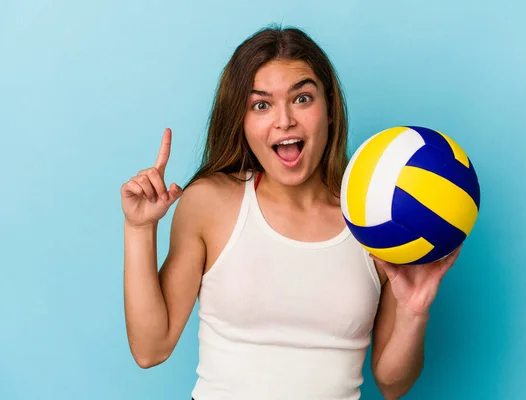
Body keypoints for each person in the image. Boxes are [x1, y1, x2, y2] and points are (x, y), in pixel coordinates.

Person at [121, 25, 461, 400]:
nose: (284, 120)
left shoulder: (376, 219)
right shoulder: (209, 203)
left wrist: (414, 312)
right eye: (261, 104)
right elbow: (151, 349)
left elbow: (393, 384)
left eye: (302, 99)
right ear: (243, 121)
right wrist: (139, 229)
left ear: (329, 108)